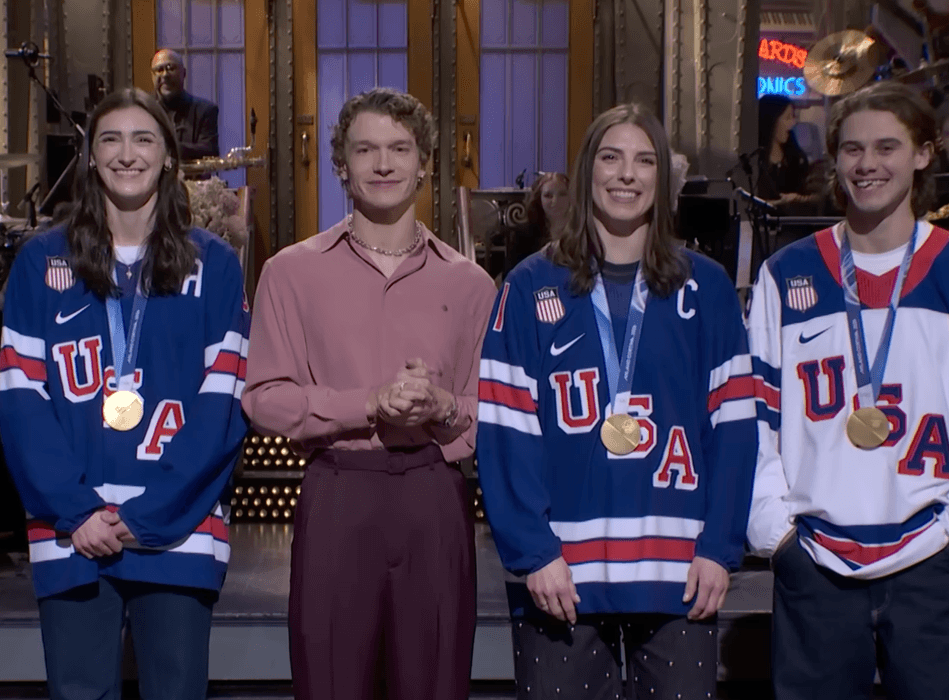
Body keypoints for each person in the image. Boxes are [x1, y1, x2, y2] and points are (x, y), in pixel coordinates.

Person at [476, 103, 758, 699]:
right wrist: (533, 552)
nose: (626, 174)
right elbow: (506, 428)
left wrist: (719, 548)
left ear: (663, 180)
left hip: (680, 571)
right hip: (562, 574)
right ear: (586, 172)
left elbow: (733, 428)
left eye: (643, 160)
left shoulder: (705, 288)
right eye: (611, 157)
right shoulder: (529, 286)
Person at [748, 81, 949, 700]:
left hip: (936, 563)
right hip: (816, 563)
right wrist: (777, 534)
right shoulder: (787, 274)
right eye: (853, 149)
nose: (868, 165)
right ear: (834, 159)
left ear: (923, 154)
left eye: (887, 147)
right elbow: (755, 418)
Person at [242, 87, 497, 700]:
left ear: (425, 164)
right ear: (340, 166)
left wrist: (444, 408)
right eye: (366, 150)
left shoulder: (471, 284)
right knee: (330, 683)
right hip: (337, 494)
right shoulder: (290, 272)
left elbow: (496, 411)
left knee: (434, 683)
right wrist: (366, 403)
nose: (383, 164)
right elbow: (264, 398)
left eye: (399, 149)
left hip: (434, 495)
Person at [0, 88, 248, 700]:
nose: (126, 153)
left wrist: (150, 517)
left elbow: (223, 406)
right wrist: (76, 511)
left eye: (144, 139)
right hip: (71, 532)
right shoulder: (41, 262)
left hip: (180, 530)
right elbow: (21, 398)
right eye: (110, 139)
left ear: (168, 156)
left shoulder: (213, 264)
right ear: (89, 155)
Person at [150, 49, 220, 161]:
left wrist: (168, 147)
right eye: (159, 70)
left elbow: (210, 151)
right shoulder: (144, 111)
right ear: (152, 76)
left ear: (184, 73)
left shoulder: (205, 110)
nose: (165, 75)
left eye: (171, 68)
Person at [504, 172, 570, 275]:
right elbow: (511, 276)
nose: (555, 200)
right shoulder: (522, 236)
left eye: (562, 194)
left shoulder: (582, 232)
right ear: (539, 199)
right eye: (548, 195)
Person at [756, 94, 812, 207]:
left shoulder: (797, 158)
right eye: (787, 118)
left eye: (793, 117)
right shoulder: (755, 160)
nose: (793, 123)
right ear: (771, 120)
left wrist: (799, 199)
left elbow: (814, 198)